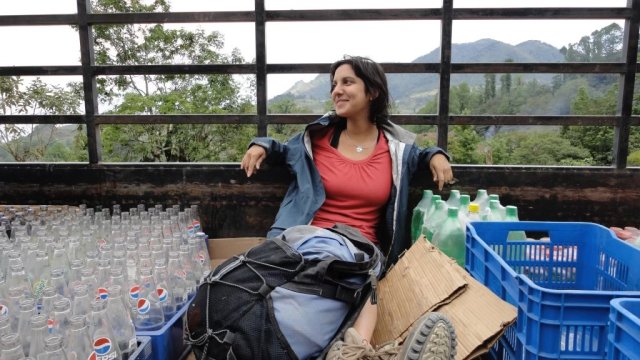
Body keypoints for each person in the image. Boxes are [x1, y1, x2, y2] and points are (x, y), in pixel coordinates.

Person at [241, 55, 457, 360]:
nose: (337, 90)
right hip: (308, 240)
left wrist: (437, 155)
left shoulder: (396, 151)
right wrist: (260, 144)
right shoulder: (315, 139)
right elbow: (281, 149)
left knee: (360, 273)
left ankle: (354, 350)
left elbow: (421, 155)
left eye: (347, 82)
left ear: (372, 92)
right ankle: (356, 352)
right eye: (334, 84)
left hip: (361, 249)